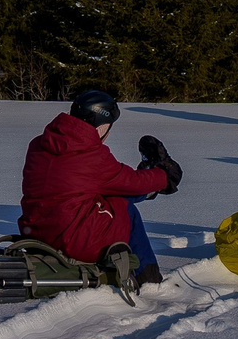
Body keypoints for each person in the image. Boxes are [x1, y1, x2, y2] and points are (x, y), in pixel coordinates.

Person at [21, 88, 182, 288]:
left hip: (37, 232)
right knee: (124, 206)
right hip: (72, 240)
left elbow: (95, 182)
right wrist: (165, 176)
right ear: (101, 126)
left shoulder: (38, 144)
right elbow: (129, 182)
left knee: (114, 194)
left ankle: (151, 188)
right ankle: (148, 278)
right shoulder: (89, 154)